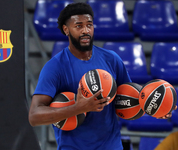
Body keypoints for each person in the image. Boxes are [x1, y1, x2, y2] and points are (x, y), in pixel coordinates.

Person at [28, 2, 175, 150]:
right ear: (66, 29)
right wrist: (77, 108)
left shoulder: (111, 59)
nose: (85, 30)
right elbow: (34, 116)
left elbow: (128, 102)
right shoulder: (55, 67)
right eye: (78, 26)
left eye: (89, 25)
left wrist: (154, 108)